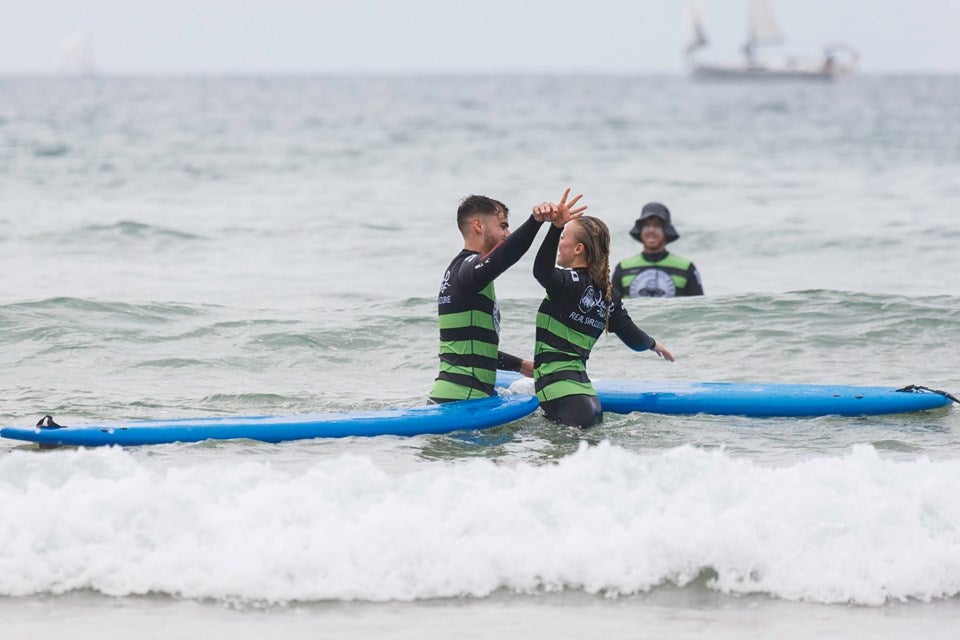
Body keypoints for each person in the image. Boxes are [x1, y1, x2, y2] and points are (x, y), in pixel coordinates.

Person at [531, 193, 675, 428]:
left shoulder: (567, 283)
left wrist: (554, 227)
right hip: (589, 400)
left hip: (561, 392)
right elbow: (631, 336)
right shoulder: (608, 294)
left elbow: (541, 271)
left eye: (564, 237)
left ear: (578, 248)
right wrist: (652, 344)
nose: (560, 242)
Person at [428, 192, 584, 403]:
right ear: (478, 225)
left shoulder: (463, 273)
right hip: (462, 403)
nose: (508, 233)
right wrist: (537, 222)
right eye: (503, 225)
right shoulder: (468, 270)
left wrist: (520, 365)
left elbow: (471, 351)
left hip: (455, 399)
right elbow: (507, 253)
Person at [612, 202, 703, 298]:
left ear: (666, 230)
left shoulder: (686, 268)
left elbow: (698, 308)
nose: (651, 230)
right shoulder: (623, 268)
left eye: (657, 225)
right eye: (646, 225)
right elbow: (611, 308)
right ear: (640, 230)